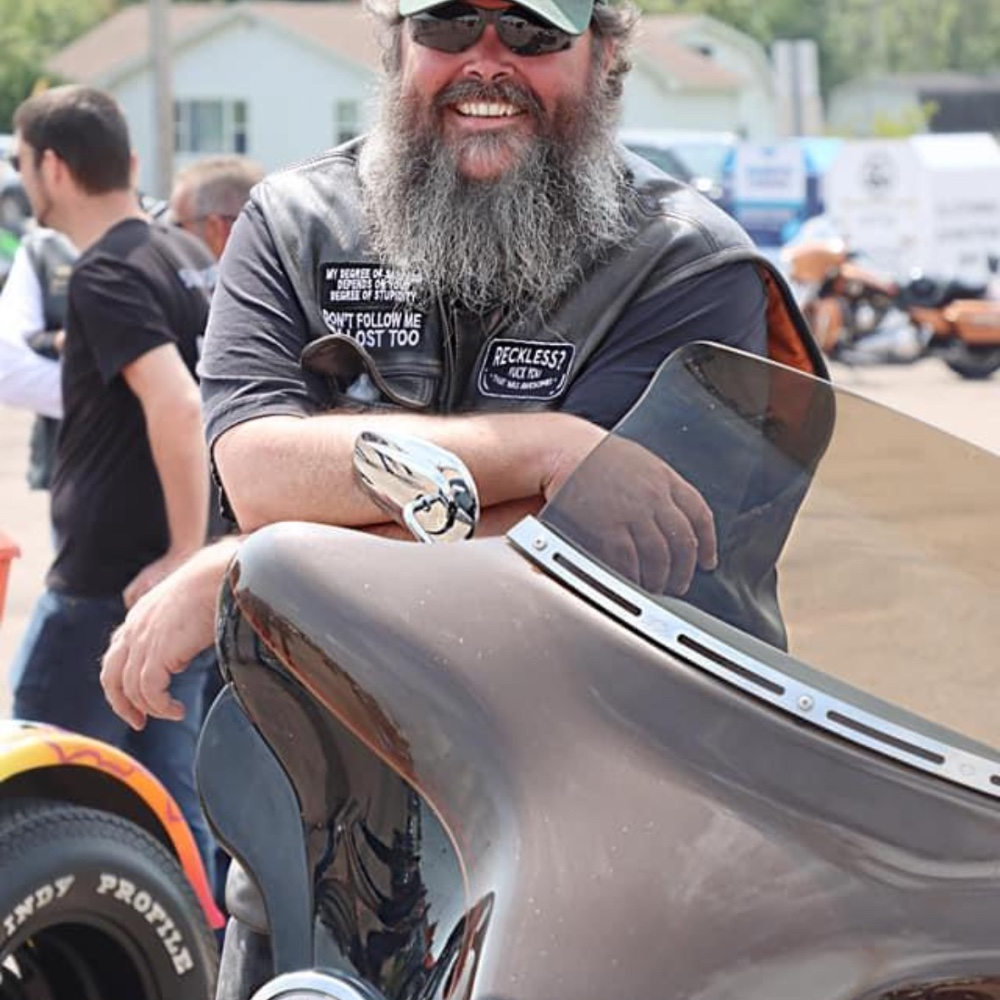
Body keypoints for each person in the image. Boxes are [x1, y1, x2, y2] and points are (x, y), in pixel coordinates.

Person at [100, 0, 825, 986]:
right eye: (447, 26)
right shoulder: (293, 223)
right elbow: (261, 470)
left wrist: (255, 568)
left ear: (605, 51)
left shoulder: (689, 262)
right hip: (316, 848)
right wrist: (544, 446)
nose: (486, 63)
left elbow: (581, 549)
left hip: (601, 858)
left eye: (531, 33)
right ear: (398, 43)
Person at [7, 85, 220, 883]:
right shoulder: (184, 255)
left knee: (36, 798)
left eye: (24, 164)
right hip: (165, 588)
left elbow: (179, 401)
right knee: (173, 803)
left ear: (53, 168)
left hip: (109, 588)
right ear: (127, 161)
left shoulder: (104, 272)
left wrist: (183, 552)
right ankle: (196, 940)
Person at [0, 225, 76, 489]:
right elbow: (11, 369)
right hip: (65, 453)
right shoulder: (42, 248)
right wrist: (57, 342)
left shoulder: (155, 233)